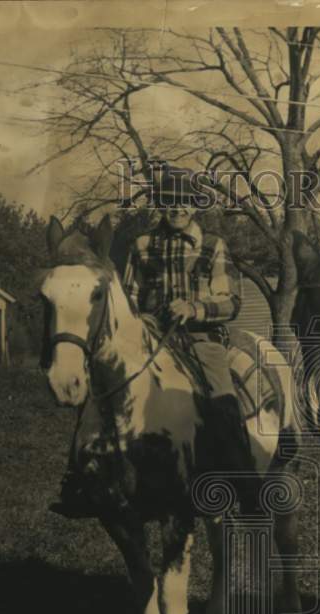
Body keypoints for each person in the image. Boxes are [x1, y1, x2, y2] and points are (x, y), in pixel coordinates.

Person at [51, 166, 257, 518]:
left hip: (198, 337)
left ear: (195, 206)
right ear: (161, 206)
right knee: (100, 390)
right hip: (148, 335)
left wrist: (194, 307)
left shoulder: (212, 246)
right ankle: (78, 480)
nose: (176, 209)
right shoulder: (143, 245)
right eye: (168, 202)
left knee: (222, 395)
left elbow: (230, 302)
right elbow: (129, 297)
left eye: (184, 203)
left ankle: (243, 480)